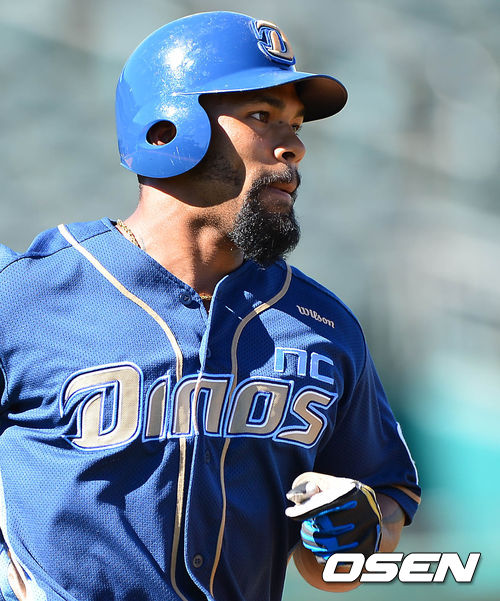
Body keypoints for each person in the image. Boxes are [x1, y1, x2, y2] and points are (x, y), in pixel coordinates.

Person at [0, 11, 420, 601]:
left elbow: (366, 522)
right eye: (263, 117)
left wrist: (362, 524)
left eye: (297, 124)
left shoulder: (323, 328)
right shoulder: (24, 296)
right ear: (168, 127)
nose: (295, 147)